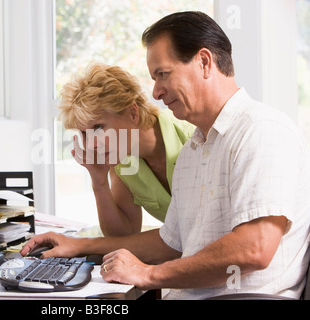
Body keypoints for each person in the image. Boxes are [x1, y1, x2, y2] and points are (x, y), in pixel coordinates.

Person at [22, 11, 310, 299]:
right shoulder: (194, 150)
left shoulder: (262, 130)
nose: (156, 92)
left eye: (163, 74)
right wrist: (80, 246)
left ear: (204, 62)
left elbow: (254, 249)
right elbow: (169, 243)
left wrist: (148, 274)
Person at [58, 63, 195, 236]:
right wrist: (99, 183)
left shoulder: (192, 137)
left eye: (99, 127)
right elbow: (123, 236)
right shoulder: (122, 163)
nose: (91, 144)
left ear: (132, 113)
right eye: (84, 133)